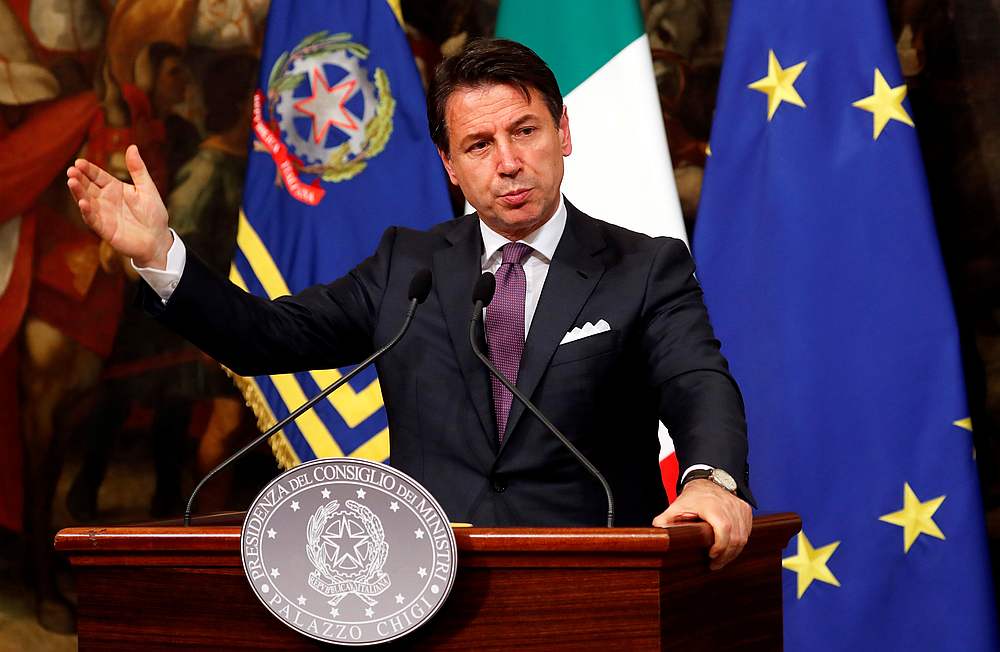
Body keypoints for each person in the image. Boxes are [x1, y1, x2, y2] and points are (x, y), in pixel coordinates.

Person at [67, 39, 754, 570]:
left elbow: (696, 382)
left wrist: (710, 480)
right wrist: (159, 254)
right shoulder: (410, 265)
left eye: (525, 131)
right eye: (479, 145)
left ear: (563, 133)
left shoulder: (644, 267)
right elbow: (263, 335)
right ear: (450, 165)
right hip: (425, 592)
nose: (507, 161)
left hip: (598, 586)